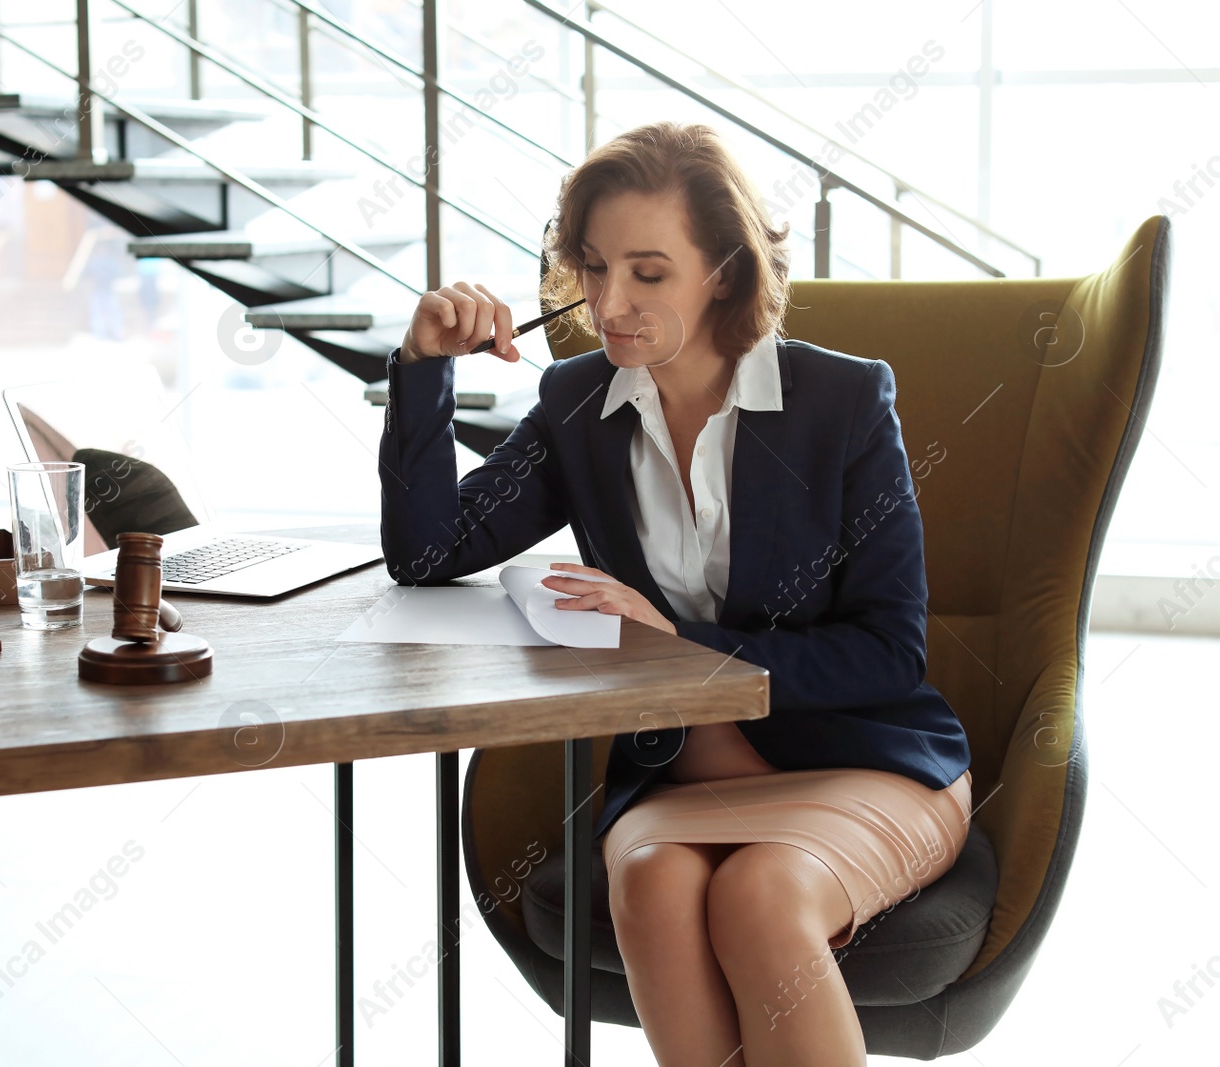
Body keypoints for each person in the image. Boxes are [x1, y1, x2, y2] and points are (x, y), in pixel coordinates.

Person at [376, 120, 973, 1067]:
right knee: (654, 887)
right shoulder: (579, 404)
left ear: (725, 273)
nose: (609, 302)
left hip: (863, 757)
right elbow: (427, 551)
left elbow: (887, 652)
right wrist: (423, 370)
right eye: (593, 266)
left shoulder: (844, 404)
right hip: (683, 776)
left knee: (761, 896)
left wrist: (682, 643)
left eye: (648, 273)